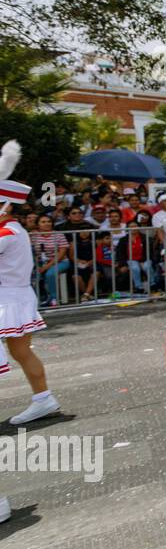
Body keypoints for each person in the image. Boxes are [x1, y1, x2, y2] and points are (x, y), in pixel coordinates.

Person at [0, 142, 62, 426]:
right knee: (21, 352)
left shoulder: (7, 232)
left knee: (20, 352)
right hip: (14, 297)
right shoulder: (15, 229)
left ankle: (43, 399)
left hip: (9, 299)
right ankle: (43, 399)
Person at [30, 214, 69, 307]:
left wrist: (47, 266)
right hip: (40, 263)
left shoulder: (58, 235)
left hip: (60, 262)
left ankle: (53, 298)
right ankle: (36, 300)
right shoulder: (33, 235)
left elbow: (62, 253)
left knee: (50, 274)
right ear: (37, 224)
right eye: (43, 222)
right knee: (32, 276)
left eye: (49, 221)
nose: (47, 224)